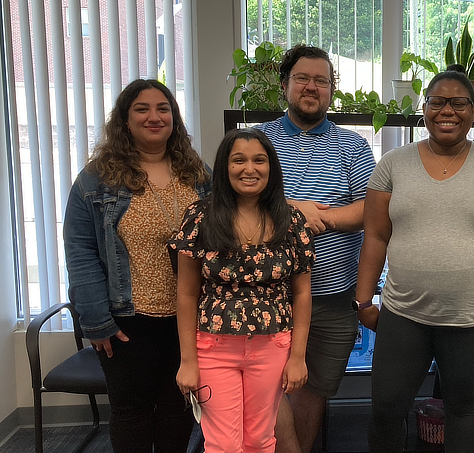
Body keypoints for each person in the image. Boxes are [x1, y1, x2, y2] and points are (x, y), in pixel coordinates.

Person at [354, 68, 474, 453]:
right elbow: (377, 235)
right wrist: (364, 299)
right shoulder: (393, 164)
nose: (446, 111)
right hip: (404, 313)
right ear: (424, 108)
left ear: (473, 110)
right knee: (385, 408)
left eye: (458, 103)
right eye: (437, 102)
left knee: (464, 408)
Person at [63, 79, 211, 452]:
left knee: (179, 409)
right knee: (132, 412)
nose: (153, 117)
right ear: (125, 120)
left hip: (188, 317)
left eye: (163, 109)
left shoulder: (199, 175)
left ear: (173, 119)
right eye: (141, 109)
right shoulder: (96, 180)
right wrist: (96, 321)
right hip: (127, 321)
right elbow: (80, 253)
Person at [254, 44, 377, 453]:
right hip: (265, 296)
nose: (311, 87)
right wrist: (293, 210)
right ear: (285, 85)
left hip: (332, 297)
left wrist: (316, 219)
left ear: (331, 90)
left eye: (321, 80)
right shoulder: (258, 140)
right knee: (263, 389)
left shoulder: (354, 147)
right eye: (302, 78)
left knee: (312, 390)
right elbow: (238, 202)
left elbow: (371, 209)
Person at [172, 128, 314, 452]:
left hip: (273, 346)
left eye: (258, 160)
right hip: (214, 347)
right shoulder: (200, 218)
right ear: (225, 167)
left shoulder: (291, 221)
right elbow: (187, 293)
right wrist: (187, 361)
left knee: (261, 440)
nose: (249, 169)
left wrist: (298, 357)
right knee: (222, 444)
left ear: (271, 167)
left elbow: (303, 294)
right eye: (239, 160)